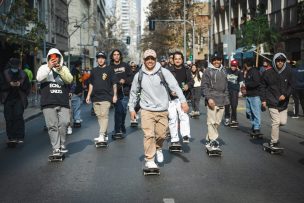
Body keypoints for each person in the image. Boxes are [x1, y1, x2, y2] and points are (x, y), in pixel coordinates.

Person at [128, 49, 188, 169]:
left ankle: (158, 148)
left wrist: (183, 101)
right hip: (146, 110)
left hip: (162, 109)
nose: (150, 61)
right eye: (147, 59)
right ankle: (149, 159)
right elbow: (133, 92)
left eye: (152, 59)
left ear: (155, 60)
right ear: (144, 60)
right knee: (149, 135)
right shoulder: (138, 75)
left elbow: (175, 86)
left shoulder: (164, 72)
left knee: (161, 135)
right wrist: (131, 108)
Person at [36, 48, 73, 155]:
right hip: (48, 101)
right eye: (52, 57)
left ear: (59, 57)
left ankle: (62, 143)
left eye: (56, 56)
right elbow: (39, 78)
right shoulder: (43, 67)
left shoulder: (64, 68)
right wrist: (49, 67)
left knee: (65, 122)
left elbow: (69, 80)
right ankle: (56, 147)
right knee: (52, 126)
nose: (54, 59)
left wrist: (60, 70)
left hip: (63, 101)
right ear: (48, 58)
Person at [261, 53, 293, 148]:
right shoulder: (267, 72)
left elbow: (291, 86)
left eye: (282, 61)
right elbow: (262, 86)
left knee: (282, 122)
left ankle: (274, 133)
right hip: (272, 101)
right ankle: (274, 142)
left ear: (284, 62)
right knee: (276, 122)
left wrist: (286, 95)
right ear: (274, 61)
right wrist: (263, 100)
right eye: (278, 60)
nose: (280, 62)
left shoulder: (288, 72)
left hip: (283, 103)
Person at [86, 51, 117, 142]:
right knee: (99, 116)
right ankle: (105, 133)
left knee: (104, 115)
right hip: (95, 97)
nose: (100, 59)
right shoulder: (94, 71)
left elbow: (114, 83)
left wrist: (115, 95)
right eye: (99, 58)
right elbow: (91, 84)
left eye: (102, 58)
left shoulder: (110, 69)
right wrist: (88, 96)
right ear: (97, 59)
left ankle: (101, 135)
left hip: (106, 96)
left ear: (105, 59)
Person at [201, 52, 229, 149]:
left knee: (217, 122)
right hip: (212, 99)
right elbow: (204, 86)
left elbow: (226, 86)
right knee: (211, 121)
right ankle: (213, 140)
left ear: (221, 60)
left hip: (222, 99)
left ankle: (209, 139)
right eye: (215, 60)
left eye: (219, 59)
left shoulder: (224, 71)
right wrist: (209, 98)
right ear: (212, 61)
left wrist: (227, 99)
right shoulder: (208, 71)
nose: (217, 61)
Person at [1, 58, 31, 143]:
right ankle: (11, 137)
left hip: (19, 99)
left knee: (18, 117)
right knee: (9, 118)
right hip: (7, 99)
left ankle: (19, 136)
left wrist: (20, 84)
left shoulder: (23, 74)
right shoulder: (4, 74)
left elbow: (27, 87)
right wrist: (9, 85)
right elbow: (2, 86)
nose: (14, 68)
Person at [167, 51, 194, 145]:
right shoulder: (168, 70)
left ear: (182, 60)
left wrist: (187, 85)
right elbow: (164, 84)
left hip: (183, 97)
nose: (177, 60)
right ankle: (174, 139)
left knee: (184, 116)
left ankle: (185, 135)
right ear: (173, 60)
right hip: (171, 98)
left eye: (179, 59)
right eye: (176, 59)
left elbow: (191, 81)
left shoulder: (187, 70)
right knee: (172, 118)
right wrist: (170, 91)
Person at [109, 49, 132, 136]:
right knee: (118, 111)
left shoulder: (125, 66)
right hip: (115, 93)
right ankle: (117, 129)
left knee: (123, 111)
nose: (116, 56)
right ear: (112, 56)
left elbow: (131, 78)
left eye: (118, 54)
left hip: (125, 92)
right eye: (114, 54)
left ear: (120, 56)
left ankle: (121, 124)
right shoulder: (110, 67)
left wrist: (125, 80)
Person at [243, 59, 262, 136]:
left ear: (246, 64)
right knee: (249, 112)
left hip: (255, 95)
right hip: (248, 95)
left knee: (256, 112)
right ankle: (254, 125)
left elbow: (257, 82)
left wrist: (247, 84)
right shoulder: (248, 72)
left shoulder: (254, 71)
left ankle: (256, 128)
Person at [224, 59, 244, 127]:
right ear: (230, 65)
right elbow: (223, 80)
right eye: (232, 65)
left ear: (236, 66)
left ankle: (233, 119)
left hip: (235, 91)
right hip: (227, 90)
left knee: (234, 105)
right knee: (227, 105)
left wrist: (241, 91)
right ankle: (227, 118)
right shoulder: (227, 71)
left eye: (234, 66)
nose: (233, 67)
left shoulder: (239, 72)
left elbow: (241, 82)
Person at [70, 61, 83, 126]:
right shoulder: (76, 72)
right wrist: (78, 91)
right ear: (79, 66)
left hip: (72, 92)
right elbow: (75, 83)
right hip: (75, 92)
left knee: (72, 107)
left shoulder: (72, 71)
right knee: (77, 106)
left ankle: (73, 120)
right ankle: (77, 120)